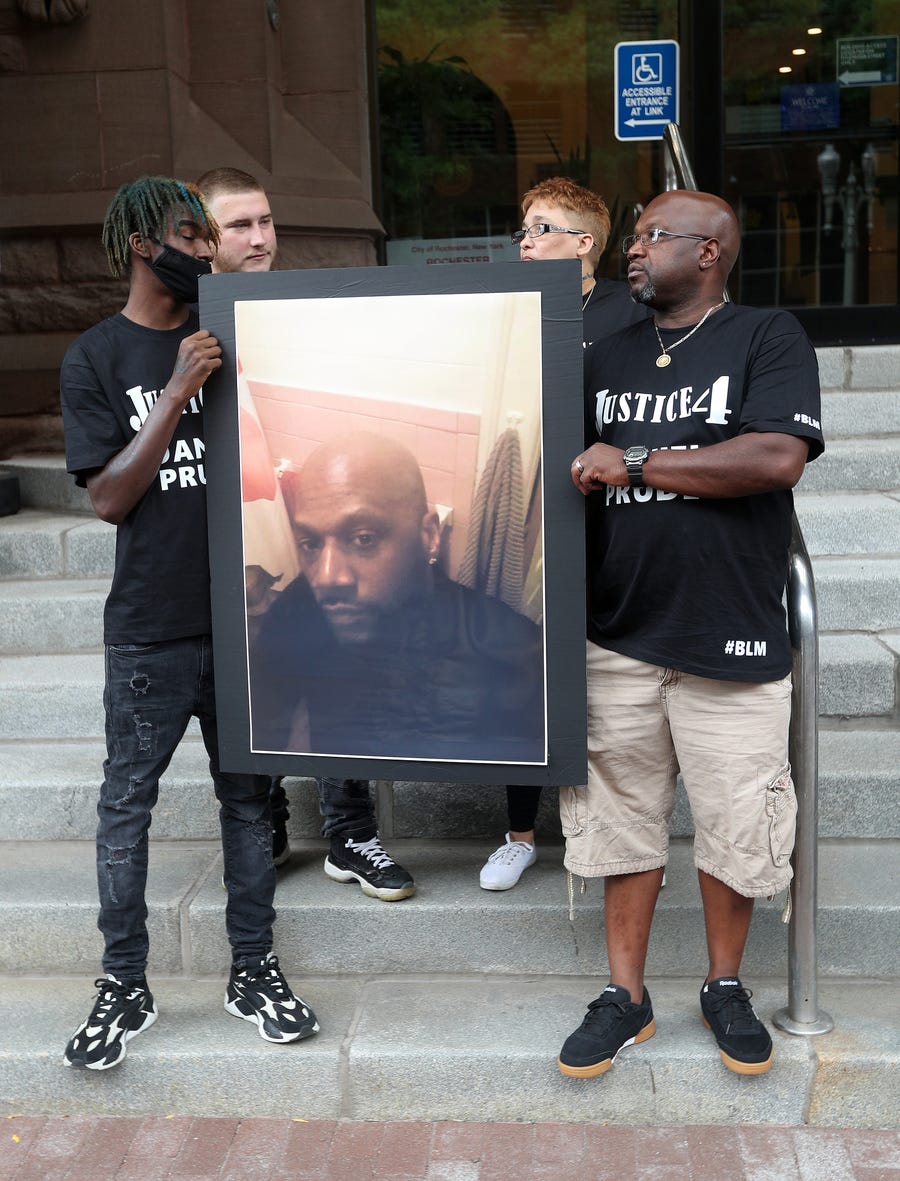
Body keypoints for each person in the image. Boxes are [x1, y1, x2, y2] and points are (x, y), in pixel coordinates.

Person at [558, 188, 824, 1080]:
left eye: (651, 238)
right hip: (619, 634)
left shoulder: (766, 337)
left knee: (735, 823)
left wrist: (634, 460)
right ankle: (625, 997)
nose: (633, 252)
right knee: (621, 822)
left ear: (708, 252)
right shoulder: (602, 352)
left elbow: (774, 457)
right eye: (633, 238)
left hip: (732, 636)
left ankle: (723, 984)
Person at [58, 175, 318, 1071]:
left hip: (251, 615)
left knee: (249, 805)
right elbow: (107, 497)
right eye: (189, 234)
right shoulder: (96, 357)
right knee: (125, 805)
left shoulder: (241, 333)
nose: (206, 250)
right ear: (141, 243)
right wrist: (176, 390)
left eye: (212, 236)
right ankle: (123, 981)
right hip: (153, 627)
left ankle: (254, 968)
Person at [197, 167, 415, 901]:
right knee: (248, 682)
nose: (259, 238)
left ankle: (350, 833)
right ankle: (266, 821)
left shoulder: (299, 308)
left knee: (332, 666)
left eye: (264, 220)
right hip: (219, 536)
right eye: (238, 225)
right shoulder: (186, 318)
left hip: (292, 533)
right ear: (202, 235)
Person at [479, 176, 649, 892]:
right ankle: (519, 833)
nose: (525, 240)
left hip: (612, 520)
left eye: (540, 228)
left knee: (609, 681)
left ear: (583, 243)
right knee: (520, 662)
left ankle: (619, 836)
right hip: (530, 510)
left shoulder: (626, 312)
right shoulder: (509, 309)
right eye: (522, 228)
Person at [249, 432, 545, 763]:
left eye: (363, 539)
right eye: (312, 543)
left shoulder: (510, 650)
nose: (327, 577)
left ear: (429, 535)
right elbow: (263, 730)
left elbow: (535, 763)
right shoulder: (294, 612)